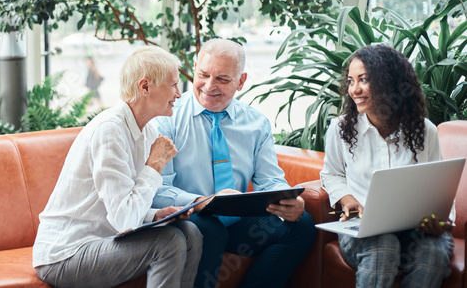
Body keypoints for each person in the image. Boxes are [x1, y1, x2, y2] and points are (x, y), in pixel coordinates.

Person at [151, 38, 316, 288]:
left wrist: (291, 203)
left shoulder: (256, 124)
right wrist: (201, 202)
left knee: (302, 225)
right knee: (209, 228)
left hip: (238, 223)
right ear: (194, 68)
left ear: (241, 81)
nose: (209, 86)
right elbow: (158, 189)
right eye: (203, 74)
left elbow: (270, 181)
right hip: (189, 218)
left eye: (222, 79)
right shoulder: (167, 119)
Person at [33, 46, 203, 288]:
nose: (179, 93)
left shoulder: (147, 131)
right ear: (145, 87)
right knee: (169, 242)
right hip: (64, 254)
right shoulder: (109, 130)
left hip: (101, 241)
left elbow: (121, 205)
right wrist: (154, 166)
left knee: (190, 233)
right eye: (173, 84)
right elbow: (124, 220)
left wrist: (154, 215)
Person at [320, 44, 455, 288]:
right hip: (362, 229)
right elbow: (331, 174)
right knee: (383, 246)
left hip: (415, 229)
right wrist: (347, 199)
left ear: (388, 81)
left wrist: (443, 221)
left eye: (364, 80)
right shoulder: (340, 129)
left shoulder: (425, 131)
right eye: (351, 81)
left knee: (432, 251)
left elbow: (441, 186)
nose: (354, 89)